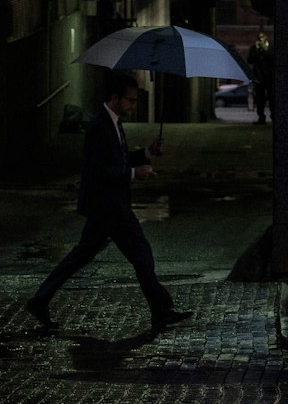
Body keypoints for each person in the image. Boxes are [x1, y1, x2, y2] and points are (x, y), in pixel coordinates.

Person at [26, 72, 192, 332]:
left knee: (82, 255)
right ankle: (160, 311)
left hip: (105, 207)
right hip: (109, 206)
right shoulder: (99, 127)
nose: (133, 105)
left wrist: (148, 152)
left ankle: (40, 299)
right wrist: (134, 174)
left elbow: (119, 159)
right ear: (115, 98)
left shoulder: (112, 122)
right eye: (130, 100)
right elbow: (97, 171)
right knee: (141, 253)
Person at [247, 31, 273, 124]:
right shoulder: (254, 48)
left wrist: (265, 50)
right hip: (259, 76)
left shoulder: (271, 47)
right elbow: (250, 59)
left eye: (262, 37)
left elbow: (272, 58)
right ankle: (261, 117)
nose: (260, 39)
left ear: (266, 38)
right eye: (259, 37)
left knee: (272, 98)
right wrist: (257, 50)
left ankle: (273, 116)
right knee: (259, 99)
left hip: (270, 77)